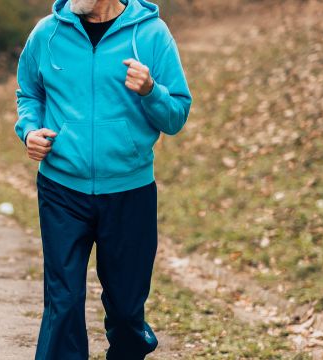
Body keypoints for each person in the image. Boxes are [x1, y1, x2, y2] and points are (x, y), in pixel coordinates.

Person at [15, 0, 191, 358]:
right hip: (62, 188)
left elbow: (176, 116)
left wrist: (150, 90)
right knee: (63, 300)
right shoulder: (47, 33)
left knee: (127, 310)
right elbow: (29, 93)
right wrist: (30, 130)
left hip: (129, 190)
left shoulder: (152, 34)